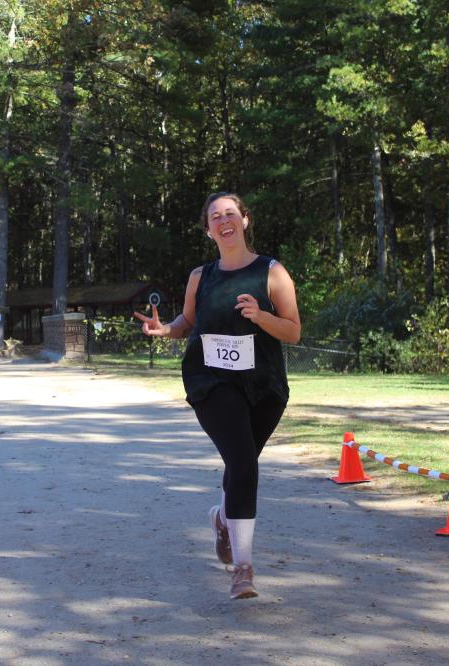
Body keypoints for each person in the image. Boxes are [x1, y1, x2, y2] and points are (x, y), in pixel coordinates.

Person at [134, 192, 300, 600]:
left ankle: (224, 518)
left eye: (230, 214)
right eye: (215, 217)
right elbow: (187, 321)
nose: (223, 221)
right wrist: (165, 330)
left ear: (244, 220)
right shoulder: (200, 276)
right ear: (208, 230)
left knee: (241, 466)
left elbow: (293, 331)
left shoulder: (272, 271)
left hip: (264, 386)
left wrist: (261, 316)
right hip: (211, 382)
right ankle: (243, 569)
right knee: (243, 462)